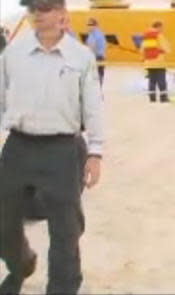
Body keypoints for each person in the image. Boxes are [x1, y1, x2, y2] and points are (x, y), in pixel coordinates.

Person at [0, 0, 104, 293]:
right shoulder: (14, 53)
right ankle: (20, 264)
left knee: (65, 229)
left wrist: (95, 153)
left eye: (43, 9)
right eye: (32, 10)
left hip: (62, 149)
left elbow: (94, 107)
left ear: (62, 14)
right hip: (19, 146)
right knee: (4, 220)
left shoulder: (80, 58)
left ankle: (63, 287)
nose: (36, 16)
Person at [141, 20, 171, 103]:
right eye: (162, 27)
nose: (162, 29)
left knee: (152, 81)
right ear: (158, 27)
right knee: (161, 80)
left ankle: (152, 98)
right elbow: (167, 48)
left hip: (148, 62)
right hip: (159, 61)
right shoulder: (159, 35)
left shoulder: (146, 36)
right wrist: (165, 50)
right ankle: (163, 97)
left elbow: (142, 49)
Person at [86, 17, 107, 86]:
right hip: (97, 57)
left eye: (91, 24)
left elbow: (92, 47)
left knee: (96, 77)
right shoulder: (92, 34)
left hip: (97, 58)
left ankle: (97, 92)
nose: (89, 26)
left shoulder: (96, 34)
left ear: (95, 25)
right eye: (88, 24)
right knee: (97, 77)